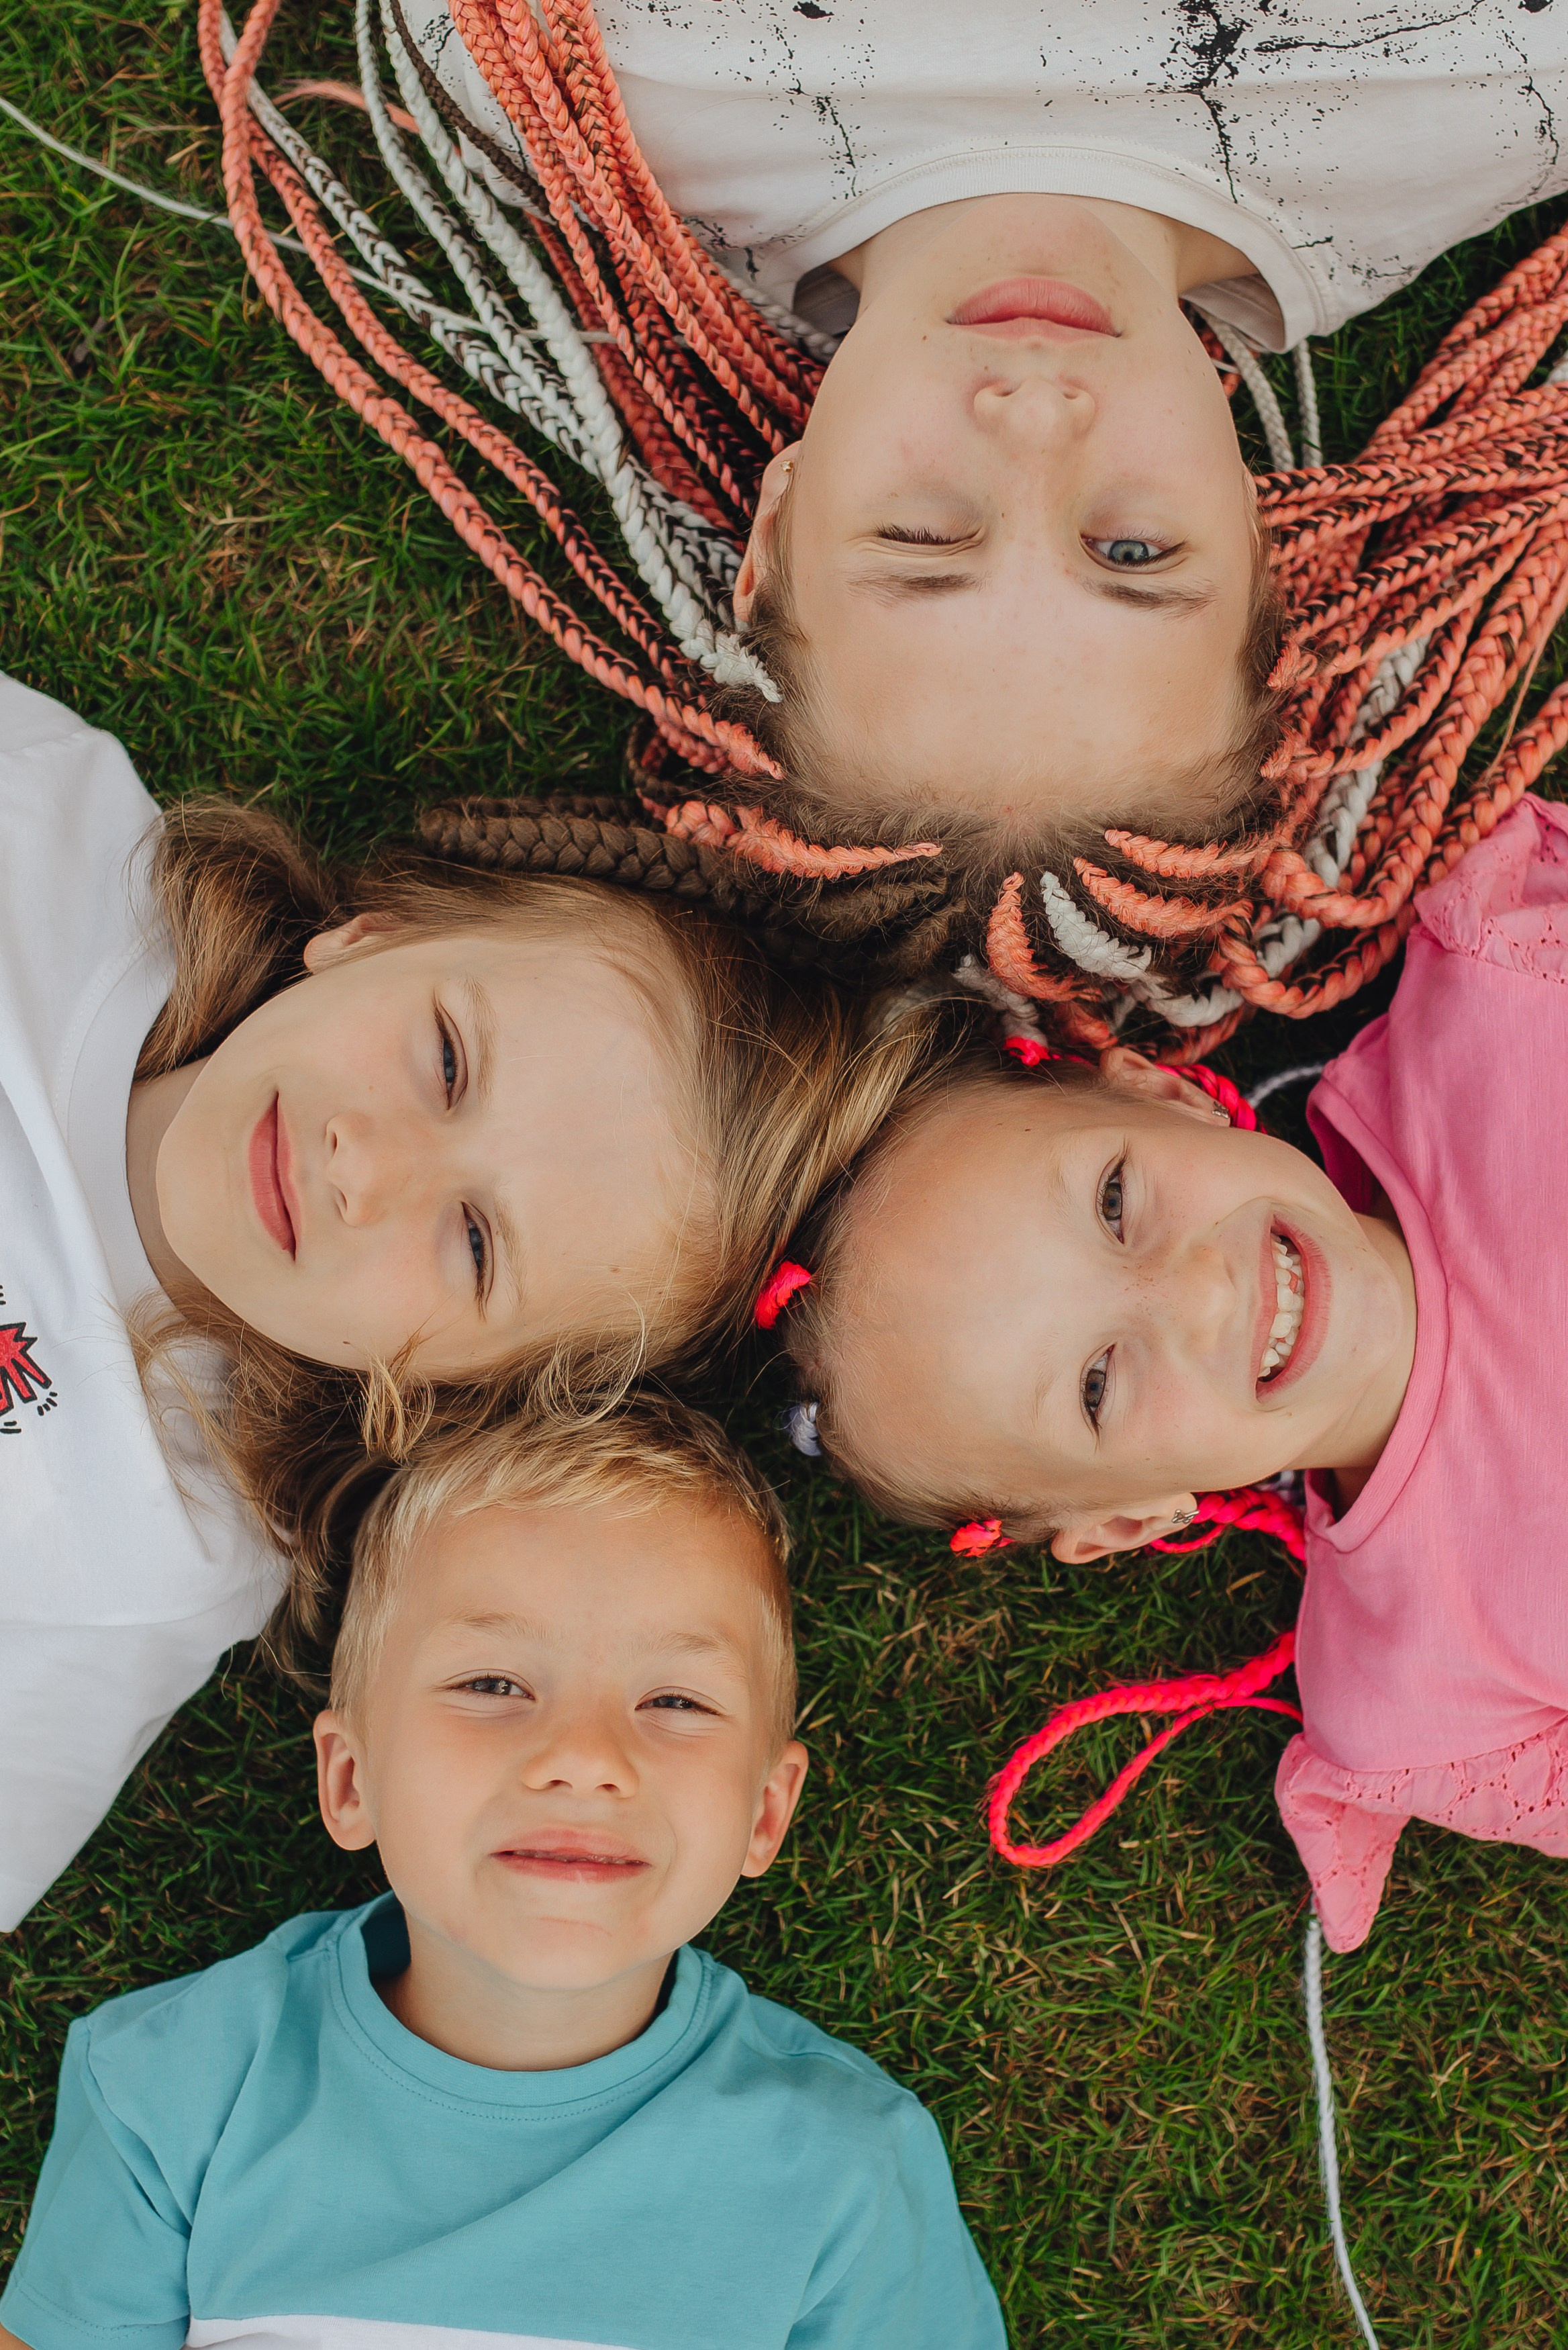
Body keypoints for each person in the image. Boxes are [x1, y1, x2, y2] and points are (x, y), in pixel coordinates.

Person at [207, 0, 1568, 1051]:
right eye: (1132, 554)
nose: (1036, 415)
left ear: (776, 526)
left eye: (922, 536)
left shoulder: (600, 69)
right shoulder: (1501, 85)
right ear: (1275, 552)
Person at [0, 669, 930, 1932]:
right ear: (373, 938)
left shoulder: (163, 1546)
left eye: (478, 1246)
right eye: (445, 1060)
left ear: (454, 1385)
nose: (365, 1166)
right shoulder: (51, 841)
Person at [0, 1398, 1007, 2350]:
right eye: (492, 1683)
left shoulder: (845, 2166)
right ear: (350, 1780)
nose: (585, 1757)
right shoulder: (172, 2090)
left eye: (675, 1701)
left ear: (765, 1813)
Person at [756, 791, 1568, 1950]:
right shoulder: (1416, 1687)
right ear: (1130, 1518)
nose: (1201, 1294)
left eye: (1116, 1201)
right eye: (1096, 1385)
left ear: (1164, 1092)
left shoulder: (1503, 991)